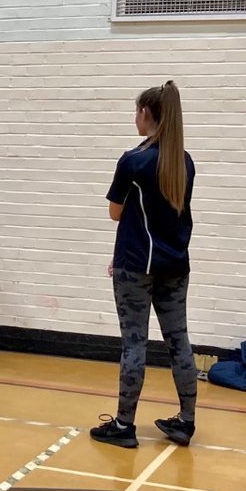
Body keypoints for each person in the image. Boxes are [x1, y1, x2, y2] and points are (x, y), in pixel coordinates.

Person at [91, 80, 199, 449]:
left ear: (146, 114)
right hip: (175, 265)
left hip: (136, 267)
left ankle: (124, 425)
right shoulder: (184, 161)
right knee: (178, 342)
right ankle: (186, 422)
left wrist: (126, 253)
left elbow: (115, 213)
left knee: (134, 346)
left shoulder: (134, 160)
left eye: (136, 110)